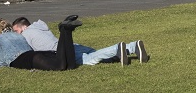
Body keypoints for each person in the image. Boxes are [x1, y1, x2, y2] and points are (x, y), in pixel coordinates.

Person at [11, 16, 149, 66]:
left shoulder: (27, 33)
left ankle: (121, 48)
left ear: (23, 27)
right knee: (97, 54)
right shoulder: (39, 27)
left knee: (90, 59)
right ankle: (131, 47)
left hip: (61, 51)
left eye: (16, 31)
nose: (16, 34)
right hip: (70, 45)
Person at [0, 16, 78, 70]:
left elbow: (2, 63)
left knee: (60, 66)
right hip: (35, 53)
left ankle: (64, 30)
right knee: (70, 64)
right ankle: (68, 30)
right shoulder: (19, 35)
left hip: (28, 58)